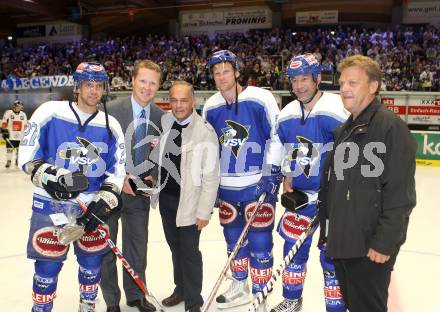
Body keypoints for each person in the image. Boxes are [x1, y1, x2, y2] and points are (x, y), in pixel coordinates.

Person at [18, 62, 126, 312]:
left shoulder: (112, 125)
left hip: (89, 207)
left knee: (91, 267)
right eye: (89, 84)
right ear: (77, 86)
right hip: (49, 204)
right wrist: (52, 176)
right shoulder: (49, 112)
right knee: (47, 267)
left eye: (99, 86)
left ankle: (86, 307)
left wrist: (106, 200)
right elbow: (27, 156)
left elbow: (117, 171)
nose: (94, 91)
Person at [318, 55, 417, 312]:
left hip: (370, 248)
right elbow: (337, 188)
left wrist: (384, 242)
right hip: (343, 243)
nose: (344, 89)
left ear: (373, 86)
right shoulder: (344, 130)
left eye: (353, 82)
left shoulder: (391, 128)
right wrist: (330, 233)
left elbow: (400, 196)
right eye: (342, 83)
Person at [202, 50, 283, 312]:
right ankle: (240, 286)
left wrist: (272, 172)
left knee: (260, 243)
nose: (221, 76)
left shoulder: (261, 98)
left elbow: (276, 136)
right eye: (216, 72)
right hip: (227, 187)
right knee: (232, 239)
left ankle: (261, 295)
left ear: (237, 71)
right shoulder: (211, 105)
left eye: (226, 70)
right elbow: (209, 147)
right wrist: (211, 184)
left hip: (257, 185)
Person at [271, 54, 348, 312]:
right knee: (293, 252)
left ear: (318, 78)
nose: (299, 86)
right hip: (301, 199)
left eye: (305, 78)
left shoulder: (337, 108)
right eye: (294, 80)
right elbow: (284, 149)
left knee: (332, 259)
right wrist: (287, 176)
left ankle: (335, 309)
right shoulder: (287, 113)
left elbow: (354, 153)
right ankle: (292, 299)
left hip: (334, 201)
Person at [100, 59, 165, 312]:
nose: (147, 87)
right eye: (143, 81)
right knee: (107, 247)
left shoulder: (161, 117)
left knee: (137, 246)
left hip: (139, 195)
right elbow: (99, 152)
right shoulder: (110, 110)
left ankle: (136, 295)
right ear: (132, 81)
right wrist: (120, 178)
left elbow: (164, 156)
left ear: (158, 86)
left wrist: (153, 177)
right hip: (109, 191)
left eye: (152, 83)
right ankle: (111, 301)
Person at [151, 81, 220, 312]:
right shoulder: (166, 122)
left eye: (183, 100)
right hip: (167, 200)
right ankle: (180, 290)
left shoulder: (205, 132)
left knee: (190, 252)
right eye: (174, 100)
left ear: (193, 101)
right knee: (175, 248)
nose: (178, 105)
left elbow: (211, 177)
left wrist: (204, 212)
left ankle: (193, 301)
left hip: (190, 203)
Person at [1, 100, 27, 168]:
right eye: (18, 106)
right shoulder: (8, 113)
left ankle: (17, 160)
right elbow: (4, 122)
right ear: (15, 106)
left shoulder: (23, 114)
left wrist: (26, 134)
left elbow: (25, 125)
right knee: (9, 149)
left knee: (19, 149)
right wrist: (4, 131)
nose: (19, 108)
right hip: (11, 135)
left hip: (20, 136)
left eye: (20, 107)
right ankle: (8, 161)